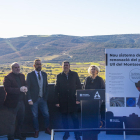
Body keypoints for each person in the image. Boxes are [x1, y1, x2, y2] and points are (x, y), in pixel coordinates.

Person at [55, 61, 82, 140]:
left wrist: (78, 99)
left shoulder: (74, 74)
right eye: (64, 65)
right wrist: (57, 101)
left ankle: (77, 134)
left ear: (69, 66)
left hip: (73, 101)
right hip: (62, 101)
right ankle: (66, 133)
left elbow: (79, 87)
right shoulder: (59, 76)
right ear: (62, 67)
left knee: (75, 119)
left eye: (67, 65)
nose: (65, 67)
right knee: (64, 119)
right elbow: (56, 89)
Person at [26, 59, 51, 138]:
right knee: (35, 116)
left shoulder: (44, 74)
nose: (39, 65)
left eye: (40, 64)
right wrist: (29, 99)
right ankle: (36, 130)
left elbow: (46, 86)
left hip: (43, 99)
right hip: (34, 100)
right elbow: (28, 88)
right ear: (34, 65)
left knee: (46, 114)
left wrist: (45, 97)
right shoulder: (30, 75)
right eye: (37, 64)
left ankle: (47, 128)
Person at [3, 62, 27, 140]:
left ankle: (18, 135)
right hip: (12, 103)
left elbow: (26, 84)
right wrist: (19, 90)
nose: (18, 68)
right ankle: (11, 137)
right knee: (11, 122)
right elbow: (8, 89)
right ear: (12, 68)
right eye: (16, 67)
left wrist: (26, 88)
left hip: (21, 102)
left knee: (20, 120)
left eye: (18, 67)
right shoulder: (7, 77)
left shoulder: (22, 76)